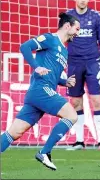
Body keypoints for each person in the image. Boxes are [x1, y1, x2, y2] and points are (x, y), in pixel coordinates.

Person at [1, 12, 80, 171]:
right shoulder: (50, 39)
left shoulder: (64, 51)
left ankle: (45, 152)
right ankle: (45, 152)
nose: (78, 33)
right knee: (72, 115)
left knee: (14, 132)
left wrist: (65, 82)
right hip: (40, 90)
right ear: (67, 26)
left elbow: (52, 74)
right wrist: (36, 66)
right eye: (77, 29)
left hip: (39, 94)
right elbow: (24, 47)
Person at [66, 0, 100, 151]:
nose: (83, 0)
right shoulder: (67, 17)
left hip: (92, 63)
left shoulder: (96, 16)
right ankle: (79, 141)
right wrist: (62, 63)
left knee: (96, 100)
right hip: (74, 64)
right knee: (76, 101)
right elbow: (61, 39)